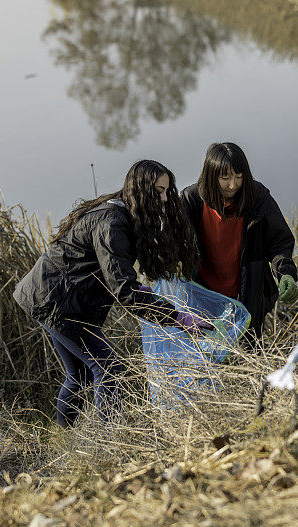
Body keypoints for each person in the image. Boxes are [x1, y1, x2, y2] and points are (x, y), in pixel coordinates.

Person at [14, 160, 211, 428]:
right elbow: (124, 292)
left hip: (58, 297)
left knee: (81, 375)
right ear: (140, 190)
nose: (164, 199)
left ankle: (64, 435)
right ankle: (110, 441)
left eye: (166, 191)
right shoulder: (112, 224)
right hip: (57, 303)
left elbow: (113, 272)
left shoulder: (125, 212)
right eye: (158, 192)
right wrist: (177, 317)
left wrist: (137, 287)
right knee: (110, 371)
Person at [181, 142, 298, 343]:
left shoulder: (258, 198)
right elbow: (174, 244)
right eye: (225, 178)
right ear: (211, 176)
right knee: (208, 347)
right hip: (203, 292)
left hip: (248, 290)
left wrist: (285, 272)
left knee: (249, 345)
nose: (233, 185)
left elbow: (279, 241)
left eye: (238, 176)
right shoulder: (190, 200)